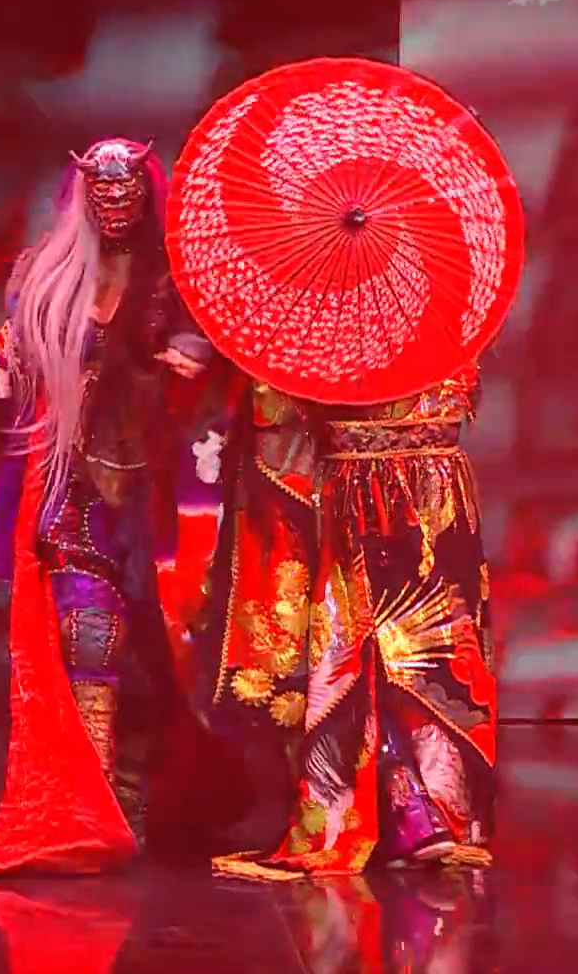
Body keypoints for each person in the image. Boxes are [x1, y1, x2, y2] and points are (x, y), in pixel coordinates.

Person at [0, 138, 220, 875]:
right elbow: (8, 375)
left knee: (164, 664)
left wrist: (192, 361)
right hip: (77, 492)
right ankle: (93, 818)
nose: (115, 203)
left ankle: (145, 804)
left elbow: (209, 358)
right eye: (102, 190)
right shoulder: (47, 281)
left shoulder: (178, 283)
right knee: (89, 645)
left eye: (127, 190)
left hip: (163, 500)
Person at [206, 368, 496, 879]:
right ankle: (434, 811)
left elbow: (283, 418)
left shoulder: (341, 337)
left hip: (362, 491)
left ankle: (408, 808)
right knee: (426, 658)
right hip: (438, 487)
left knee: (368, 655)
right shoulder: (445, 339)